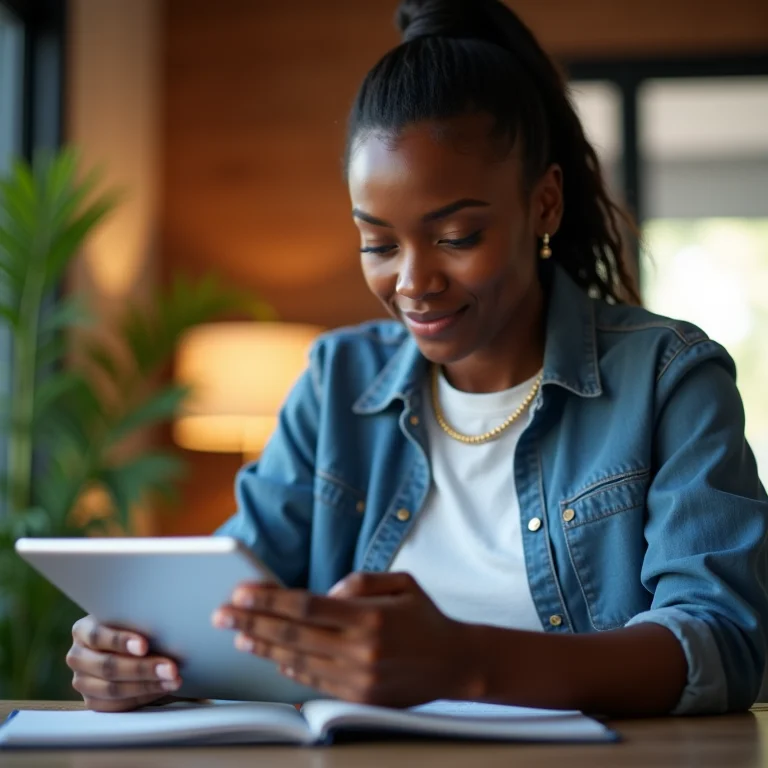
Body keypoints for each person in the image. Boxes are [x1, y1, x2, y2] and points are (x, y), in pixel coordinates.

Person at [66, 0, 768, 717]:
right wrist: (133, 652)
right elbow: (228, 600)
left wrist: (463, 663)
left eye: (458, 236)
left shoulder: (667, 378)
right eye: (378, 242)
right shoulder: (336, 382)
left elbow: (723, 640)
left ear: (545, 205)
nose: (412, 283)